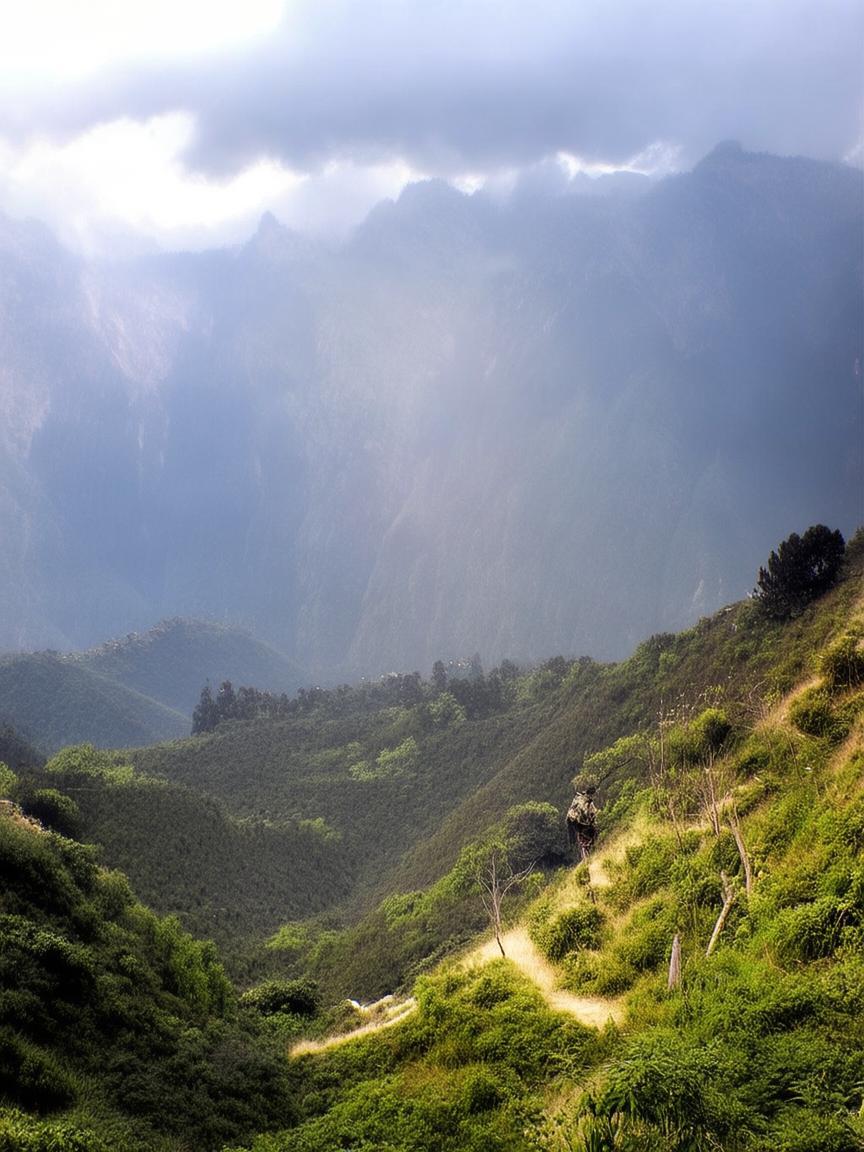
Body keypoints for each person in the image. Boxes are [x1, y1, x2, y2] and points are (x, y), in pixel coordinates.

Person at [566, 784, 597, 859]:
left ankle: (586, 852)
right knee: (587, 837)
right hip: (579, 822)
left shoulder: (578, 799)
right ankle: (587, 852)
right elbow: (587, 811)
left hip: (575, 821)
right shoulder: (583, 800)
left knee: (584, 838)